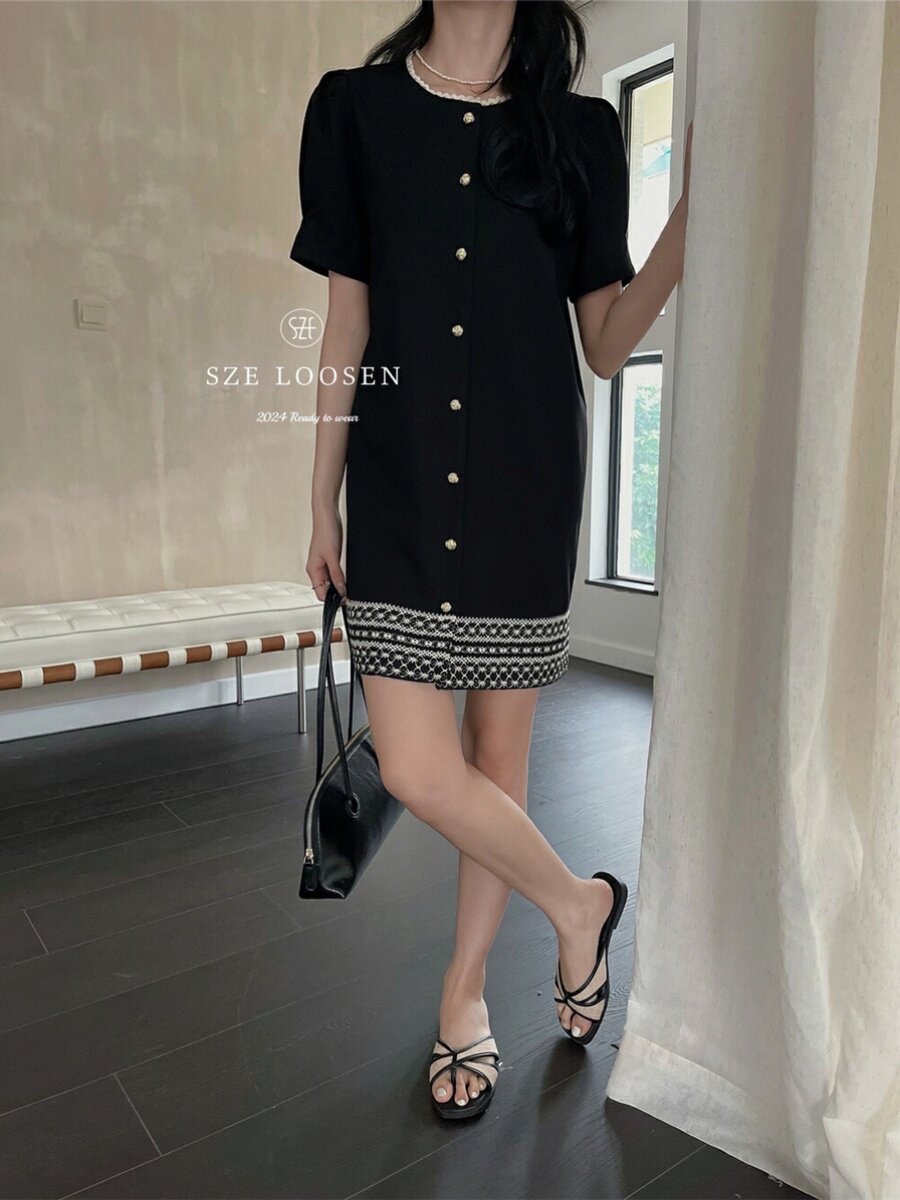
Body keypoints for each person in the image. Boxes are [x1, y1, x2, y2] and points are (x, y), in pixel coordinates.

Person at [291, 0, 690, 1119]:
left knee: (496, 755)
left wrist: (691, 218)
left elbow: (604, 345)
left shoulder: (580, 131)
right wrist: (319, 498)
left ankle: (463, 998)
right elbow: (348, 322)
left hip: (525, 482)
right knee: (419, 770)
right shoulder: (356, 111)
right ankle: (579, 907)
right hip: (400, 486)